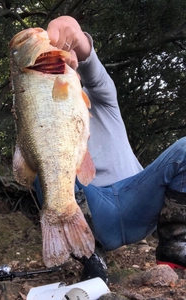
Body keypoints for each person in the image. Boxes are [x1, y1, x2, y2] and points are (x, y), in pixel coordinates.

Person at [34, 15, 186, 282]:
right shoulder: (44, 121)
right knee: (44, 167)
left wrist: (72, 31)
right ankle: (90, 256)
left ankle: (175, 248)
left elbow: (88, 59)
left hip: (138, 198)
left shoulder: (102, 97)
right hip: (93, 207)